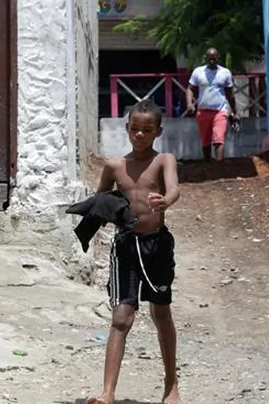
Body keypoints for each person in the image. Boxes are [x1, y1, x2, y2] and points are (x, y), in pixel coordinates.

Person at [87, 99, 182, 404]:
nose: (140, 135)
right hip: (126, 246)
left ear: (158, 131)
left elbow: (174, 189)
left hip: (157, 247)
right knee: (121, 317)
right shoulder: (115, 165)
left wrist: (165, 202)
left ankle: (171, 386)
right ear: (126, 129)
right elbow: (100, 198)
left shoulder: (164, 159)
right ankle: (108, 393)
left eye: (147, 129)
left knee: (161, 313)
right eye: (135, 129)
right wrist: (98, 215)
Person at [185, 47, 239, 163]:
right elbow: (190, 88)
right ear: (205, 58)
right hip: (203, 111)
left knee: (219, 140)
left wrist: (235, 112)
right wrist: (189, 103)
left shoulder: (225, 73)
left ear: (218, 58)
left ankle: (219, 167)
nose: (212, 62)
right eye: (209, 59)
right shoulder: (198, 72)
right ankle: (208, 165)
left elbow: (230, 94)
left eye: (214, 59)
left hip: (220, 111)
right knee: (205, 141)